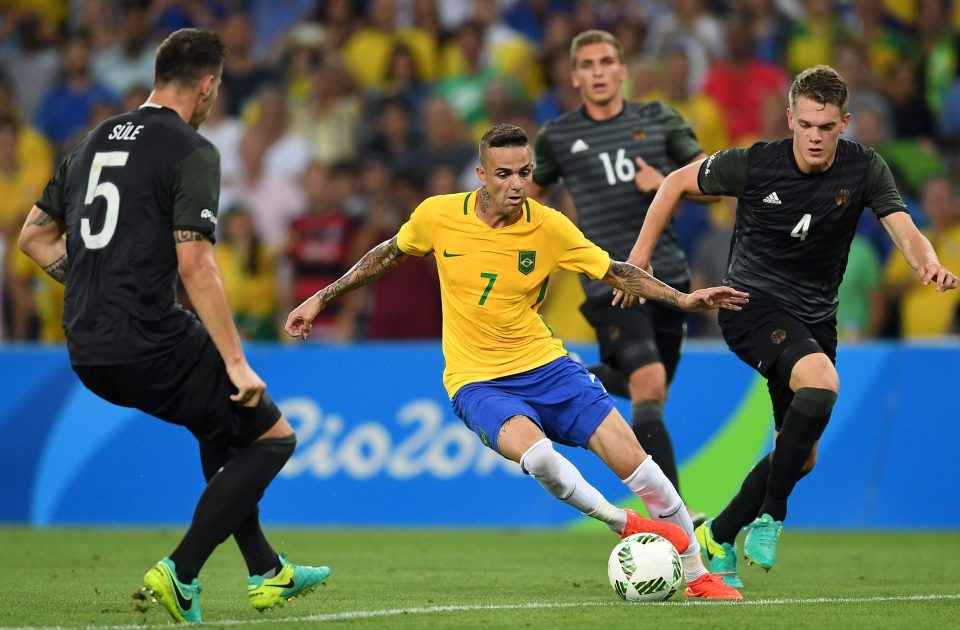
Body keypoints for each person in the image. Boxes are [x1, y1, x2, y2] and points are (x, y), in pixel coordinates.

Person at [286, 123, 747, 600]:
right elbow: (387, 254)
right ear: (481, 174)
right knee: (541, 457)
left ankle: (697, 577)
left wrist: (683, 299)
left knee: (642, 468)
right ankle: (622, 522)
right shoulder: (438, 215)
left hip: (548, 366)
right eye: (504, 174)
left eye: (525, 172)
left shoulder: (548, 226)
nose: (516, 184)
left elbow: (616, 270)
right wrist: (322, 297)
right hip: (477, 381)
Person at [17, 28, 330, 624]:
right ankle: (181, 573)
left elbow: (32, 237)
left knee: (219, 431)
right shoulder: (191, 149)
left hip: (86, 344)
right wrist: (237, 360)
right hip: (147, 337)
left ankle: (268, 572)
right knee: (273, 438)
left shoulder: (91, 142)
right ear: (208, 85)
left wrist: (89, 282)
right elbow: (196, 262)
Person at [618, 64, 958, 588]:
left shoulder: (865, 169)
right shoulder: (755, 163)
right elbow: (674, 183)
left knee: (801, 456)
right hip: (748, 306)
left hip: (814, 319)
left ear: (844, 122)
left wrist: (927, 262)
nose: (816, 136)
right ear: (790, 120)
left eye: (826, 126)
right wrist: (640, 260)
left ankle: (719, 535)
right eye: (806, 124)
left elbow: (903, 227)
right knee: (822, 383)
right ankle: (772, 517)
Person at [530, 30, 712, 525]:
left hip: (670, 281)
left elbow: (712, 183)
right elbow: (526, 200)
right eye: (587, 64)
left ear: (622, 68)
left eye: (607, 61)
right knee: (650, 383)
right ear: (574, 76)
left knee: (647, 386)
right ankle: (675, 512)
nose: (598, 71)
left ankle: (574, 373)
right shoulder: (557, 137)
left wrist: (669, 185)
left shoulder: (658, 119)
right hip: (608, 281)